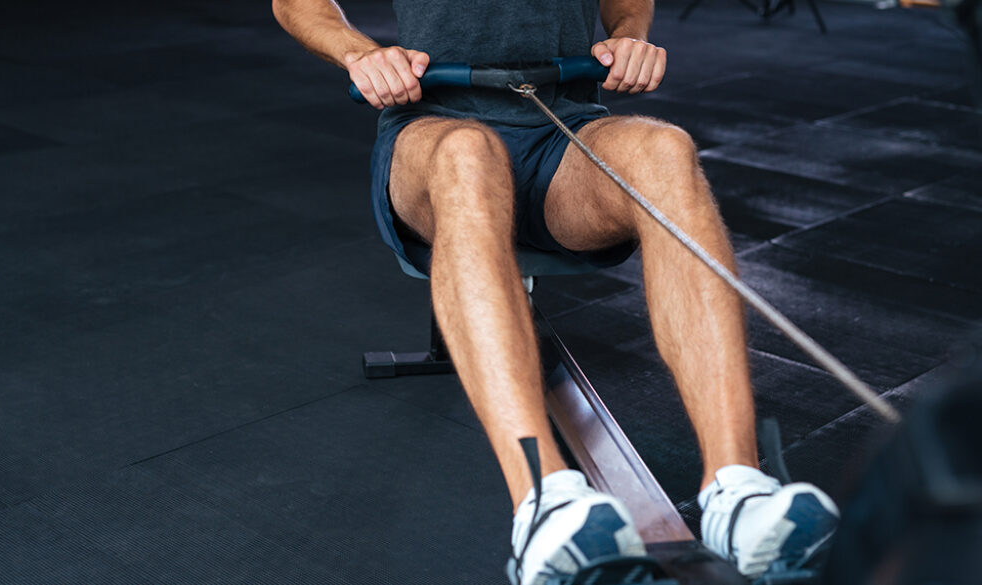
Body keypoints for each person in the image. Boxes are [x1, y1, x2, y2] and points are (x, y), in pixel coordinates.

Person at [272, 0, 840, 583]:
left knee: (665, 151)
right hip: (432, 131)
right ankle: (544, 503)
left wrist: (629, 35)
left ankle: (737, 489)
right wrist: (360, 54)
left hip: (562, 132)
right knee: (469, 156)